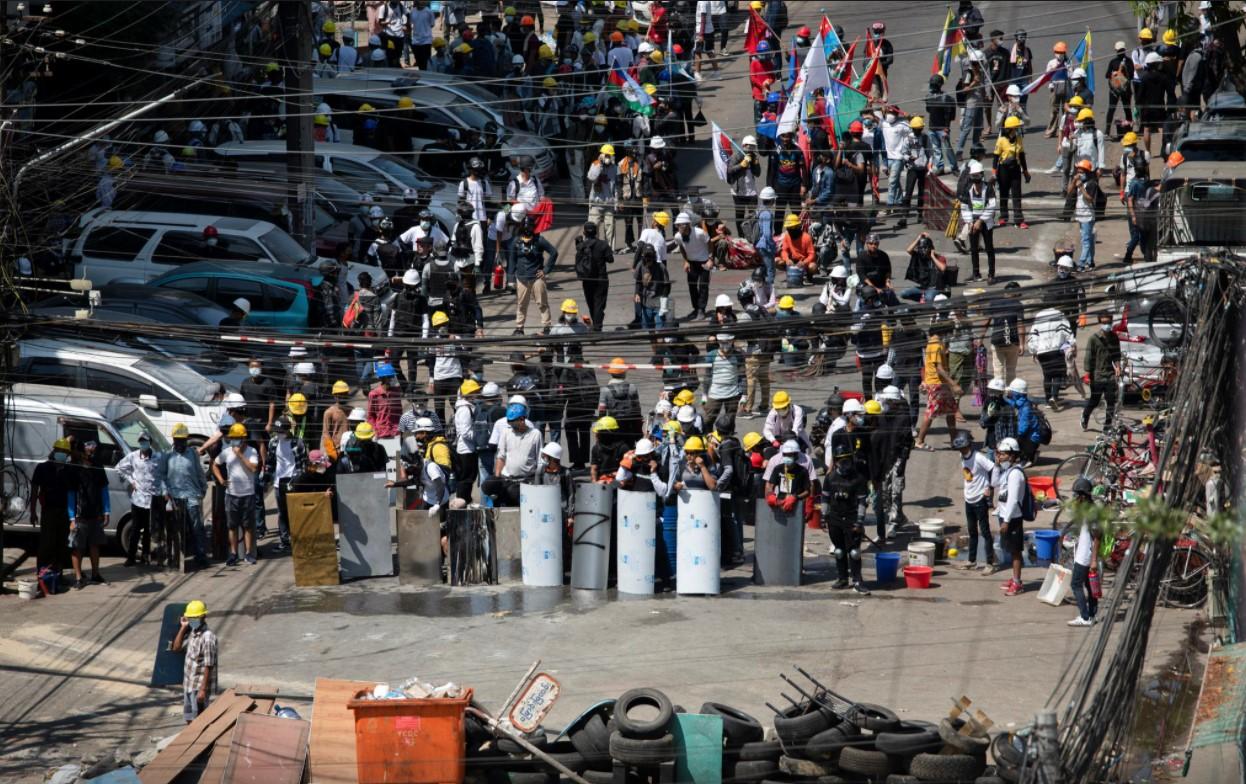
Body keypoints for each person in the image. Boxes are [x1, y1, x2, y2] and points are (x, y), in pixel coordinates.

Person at [823, 441, 870, 594]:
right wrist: (825, 516)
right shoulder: (830, 478)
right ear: (835, 461)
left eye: (847, 459)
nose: (844, 463)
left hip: (852, 519)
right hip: (835, 518)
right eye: (841, 460)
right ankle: (842, 579)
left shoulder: (858, 479)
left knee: (854, 552)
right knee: (838, 551)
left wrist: (860, 521)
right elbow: (825, 498)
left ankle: (857, 580)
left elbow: (863, 502)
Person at [212, 422, 260, 566]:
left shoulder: (252, 452)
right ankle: (233, 553)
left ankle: (248, 554)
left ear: (244, 438)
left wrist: (240, 455)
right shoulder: (227, 452)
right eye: (232, 438)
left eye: (237, 438)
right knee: (232, 526)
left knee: (247, 526)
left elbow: (253, 468)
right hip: (231, 494)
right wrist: (221, 480)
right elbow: (215, 464)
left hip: (248, 494)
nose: (234, 441)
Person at [163, 423, 209, 569]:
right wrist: (166, 493)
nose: (180, 442)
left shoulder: (193, 454)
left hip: (192, 495)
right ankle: (176, 558)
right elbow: (162, 476)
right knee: (176, 530)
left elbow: (200, 472)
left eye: (183, 439)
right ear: (174, 439)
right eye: (177, 439)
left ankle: (200, 556)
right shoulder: (168, 456)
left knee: (197, 528)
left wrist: (203, 488)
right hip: (175, 497)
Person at [483, 403, 543, 506]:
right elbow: (501, 457)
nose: (512, 427)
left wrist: (537, 482)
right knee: (488, 485)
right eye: (510, 424)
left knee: (514, 494)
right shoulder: (506, 433)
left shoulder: (535, 434)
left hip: (526, 481)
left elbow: (540, 461)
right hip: (507, 478)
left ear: (522, 419)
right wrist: (497, 478)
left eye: (514, 424)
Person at [954, 431, 997, 573]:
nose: (962, 450)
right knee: (972, 531)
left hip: (980, 498)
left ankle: (989, 563)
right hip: (968, 498)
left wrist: (990, 488)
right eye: (960, 448)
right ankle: (972, 560)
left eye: (964, 447)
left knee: (985, 532)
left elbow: (994, 468)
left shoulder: (979, 457)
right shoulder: (962, 455)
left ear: (969, 445)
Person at [116, 431, 161, 568]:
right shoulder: (133, 456)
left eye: (145, 441)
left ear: (150, 442)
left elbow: (162, 474)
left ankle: (145, 556)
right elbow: (119, 468)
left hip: (152, 499)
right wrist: (131, 481)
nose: (143, 443)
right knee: (135, 529)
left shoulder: (158, 458)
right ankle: (130, 557)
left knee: (148, 530)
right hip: (137, 500)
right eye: (141, 441)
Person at [914, 323, 961, 450]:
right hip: (937, 384)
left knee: (951, 411)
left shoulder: (935, 343)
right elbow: (939, 368)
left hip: (940, 384)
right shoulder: (935, 345)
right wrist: (953, 384)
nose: (950, 336)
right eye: (949, 332)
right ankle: (920, 440)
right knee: (931, 413)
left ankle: (954, 440)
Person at [69, 441, 108, 588]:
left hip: (95, 514)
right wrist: (71, 517)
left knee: (94, 545)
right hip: (79, 515)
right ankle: (79, 578)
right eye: (88, 451)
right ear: (82, 452)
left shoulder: (98, 467)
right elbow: (71, 494)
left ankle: (95, 574)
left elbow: (104, 490)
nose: (91, 453)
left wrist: (106, 511)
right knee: (77, 547)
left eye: (93, 451)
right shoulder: (75, 469)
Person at [171, 600, 218, 723]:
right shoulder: (192, 632)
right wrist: (183, 627)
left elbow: (209, 665)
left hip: (198, 687)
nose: (192, 620)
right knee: (189, 718)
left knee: (199, 721)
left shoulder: (208, 637)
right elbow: (176, 647)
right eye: (190, 618)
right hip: (188, 684)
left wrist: (203, 690)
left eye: (195, 618)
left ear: (203, 617)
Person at [510, 217, 559, 334]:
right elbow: (511, 261)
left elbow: (554, 252)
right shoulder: (516, 242)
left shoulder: (539, 240)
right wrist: (510, 279)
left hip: (537, 278)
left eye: (530, 226)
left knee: (542, 303)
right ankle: (519, 328)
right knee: (521, 305)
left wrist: (546, 270)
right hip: (521, 279)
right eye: (526, 226)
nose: (528, 229)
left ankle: (547, 327)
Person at [993, 437, 1028, 596]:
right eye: (1000, 454)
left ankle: (1017, 582)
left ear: (1013, 456)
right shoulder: (1007, 470)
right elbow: (994, 483)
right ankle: (1014, 578)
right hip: (1005, 515)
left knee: (1015, 551)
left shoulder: (1015, 474)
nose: (1001, 457)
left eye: (1004, 454)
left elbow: (1013, 499)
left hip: (1013, 518)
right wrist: (996, 465)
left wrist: (1006, 521)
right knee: (1010, 548)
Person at [1067, 476, 1102, 627]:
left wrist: (1093, 560)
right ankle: (1092, 615)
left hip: (1086, 556)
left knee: (1075, 584)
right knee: (1089, 585)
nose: (1074, 498)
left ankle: (1085, 617)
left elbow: (1097, 536)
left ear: (1082, 496)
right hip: (1086, 554)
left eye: (1076, 495)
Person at [1027, 308, 1073, 410]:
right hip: (1056, 349)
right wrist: (1071, 344)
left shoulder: (1039, 315)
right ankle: (1054, 397)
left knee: (1047, 375)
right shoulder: (1059, 314)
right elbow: (1066, 331)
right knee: (1057, 374)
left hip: (1042, 352)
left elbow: (1033, 334)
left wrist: (1033, 350)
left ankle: (1048, 400)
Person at [1082, 312, 1122, 430]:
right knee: (1095, 400)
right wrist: (1088, 374)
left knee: (1111, 401)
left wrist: (1118, 366)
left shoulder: (1114, 338)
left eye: (1109, 322)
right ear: (1100, 323)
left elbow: (1116, 355)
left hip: (1110, 375)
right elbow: (1088, 357)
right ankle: (1085, 416)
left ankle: (1107, 426)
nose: (1107, 325)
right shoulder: (1093, 339)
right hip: (1097, 375)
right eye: (1104, 322)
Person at [960, 161, 997, 282]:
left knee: (989, 248)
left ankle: (991, 274)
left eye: (977, 176)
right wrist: (970, 222)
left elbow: (991, 206)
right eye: (973, 176)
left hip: (986, 222)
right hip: (972, 222)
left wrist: (980, 220)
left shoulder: (989, 188)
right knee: (974, 249)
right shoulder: (968, 189)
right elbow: (964, 207)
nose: (975, 178)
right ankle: (976, 273)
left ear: (981, 175)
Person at [895, 116, 932, 230]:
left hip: (923, 168)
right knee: (909, 192)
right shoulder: (908, 139)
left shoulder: (925, 138)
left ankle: (920, 214)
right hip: (912, 169)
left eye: (919, 129)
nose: (917, 131)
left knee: (921, 192)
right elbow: (903, 153)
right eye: (915, 129)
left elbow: (930, 153)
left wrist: (930, 167)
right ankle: (904, 216)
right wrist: (908, 157)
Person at [674, 211, 713, 320]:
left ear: (687, 225)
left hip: (704, 261)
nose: (679, 228)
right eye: (677, 226)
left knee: (703, 286)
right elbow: (681, 247)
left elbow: (710, 243)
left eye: (681, 225)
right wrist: (686, 260)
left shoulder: (699, 233)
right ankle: (696, 308)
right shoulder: (678, 236)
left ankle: (701, 309)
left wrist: (710, 259)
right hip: (691, 262)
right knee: (692, 286)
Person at [993, 116, 1030, 229]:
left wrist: (1025, 171)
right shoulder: (1001, 140)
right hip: (1003, 169)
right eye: (1016, 127)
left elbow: (1022, 156)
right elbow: (995, 157)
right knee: (1004, 194)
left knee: (1016, 194)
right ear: (1010, 129)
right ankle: (1003, 217)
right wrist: (994, 173)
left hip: (1015, 169)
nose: (1018, 129)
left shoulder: (1019, 139)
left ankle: (1018, 220)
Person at [575, 222, 613, 331]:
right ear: (596, 232)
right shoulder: (603, 244)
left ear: (584, 232)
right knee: (599, 303)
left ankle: (596, 324)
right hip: (601, 279)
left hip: (587, 279)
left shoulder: (581, 245)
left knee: (591, 302)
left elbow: (579, 259)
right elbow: (610, 260)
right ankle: (597, 326)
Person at [598, 358, 644, 445]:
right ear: (624, 372)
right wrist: (638, 430)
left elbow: (602, 412)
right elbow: (637, 410)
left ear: (611, 373)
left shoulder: (605, 390)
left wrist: (601, 431)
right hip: (629, 428)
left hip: (613, 428)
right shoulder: (632, 387)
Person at [985, 281, 1025, 382]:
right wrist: (1022, 344)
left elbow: (986, 322)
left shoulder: (994, 303)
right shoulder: (1018, 305)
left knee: (998, 371)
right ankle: (1009, 394)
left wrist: (980, 339)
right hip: (1013, 342)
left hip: (997, 341)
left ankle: (998, 395)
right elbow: (1020, 325)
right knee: (1011, 371)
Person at [702, 332, 743, 424]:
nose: (725, 345)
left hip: (733, 394)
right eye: (722, 342)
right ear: (718, 342)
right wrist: (704, 394)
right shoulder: (711, 356)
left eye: (727, 342)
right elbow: (707, 376)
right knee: (708, 420)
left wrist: (744, 395)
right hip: (715, 394)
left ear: (732, 341)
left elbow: (742, 377)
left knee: (730, 421)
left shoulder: (738, 356)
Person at [452, 379, 481, 503]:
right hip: (466, 450)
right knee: (466, 479)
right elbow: (465, 432)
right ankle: (462, 502)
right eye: (474, 392)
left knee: (467, 478)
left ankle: (464, 500)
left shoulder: (466, 408)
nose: (477, 395)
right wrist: (479, 437)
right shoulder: (465, 409)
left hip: (466, 448)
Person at [1068, 160, 1100, 270]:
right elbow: (1069, 192)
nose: (1079, 173)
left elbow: (1090, 199)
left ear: (1087, 172)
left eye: (1081, 172)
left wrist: (1081, 187)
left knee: (1085, 241)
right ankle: (1090, 262)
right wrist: (1074, 182)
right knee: (1089, 240)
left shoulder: (1092, 183)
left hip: (1087, 216)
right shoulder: (1079, 181)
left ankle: (1081, 264)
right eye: (1078, 171)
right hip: (1080, 214)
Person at [727, 136, 761, 236]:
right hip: (738, 191)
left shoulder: (754, 157)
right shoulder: (736, 156)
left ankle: (752, 235)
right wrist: (741, 165)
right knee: (739, 215)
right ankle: (741, 235)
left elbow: (757, 174)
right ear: (744, 146)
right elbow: (730, 170)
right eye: (750, 146)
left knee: (753, 216)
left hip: (751, 191)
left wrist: (756, 164)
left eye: (753, 147)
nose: (751, 149)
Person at [900, 234, 949, 303]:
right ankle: (923, 298)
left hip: (935, 288)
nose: (922, 250)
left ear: (930, 248)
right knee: (904, 293)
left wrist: (933, 257)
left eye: (924, 248)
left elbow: (943, 268)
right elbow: (908, 250)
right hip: (923, 288)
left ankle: (927, 300)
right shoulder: (920, 257)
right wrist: (918, 238)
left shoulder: (939, 257)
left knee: (928, 298)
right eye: (920, 248)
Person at [925, 75, 958, 175]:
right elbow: (928, 109)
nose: (932, 87)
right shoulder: (929, 97)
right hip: (932, 128)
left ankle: (954, 167)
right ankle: (940, 167)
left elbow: (948, 114)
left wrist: (946, 127)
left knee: (947, 149)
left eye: (934, 85)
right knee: (936, 149)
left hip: (942, 129)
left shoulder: (945, 98)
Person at [1007, 378, 1042, 466]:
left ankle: (1029, 458)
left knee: (1019, 444)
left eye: (1012, 392)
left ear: (1017, 393)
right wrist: (1005, 399)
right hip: (1031, 434)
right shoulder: (1023, 402)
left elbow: (1024, 426)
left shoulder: (1026, 408)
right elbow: (1015, 404)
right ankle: (1030, 453)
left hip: (1033, 437)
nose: (1010, 393)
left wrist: (1018, 436)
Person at [366, 362, 404, 439]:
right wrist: (374, 430)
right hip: (380, 432)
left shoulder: (396, 392)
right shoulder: (374, 394)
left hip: (395, 432)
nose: (392, 378)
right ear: (382, 378)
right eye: (390, 377)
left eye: (393, 376)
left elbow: (399, 412)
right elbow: (371, 416)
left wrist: (400, 429)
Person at [1105, 40, 1134, 133]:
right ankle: (1108, 130)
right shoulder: (1118, 61)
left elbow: (1131, 75)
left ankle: (1128, 129)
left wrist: (1123, 71)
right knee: (1114, 108)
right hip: (1116, 89)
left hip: (1123, 89)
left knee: (1125, 108)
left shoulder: (1126, 62)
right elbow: (1107, 75)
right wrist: (1115, 74)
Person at [777, 214, 815, 285]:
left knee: (813, 266)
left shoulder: (806, 237)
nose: (790, 230)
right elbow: (784, 250)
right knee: (777, 260)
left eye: (791, 228)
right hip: (793, 260)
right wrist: (787, 259)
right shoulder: (787, 236)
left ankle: (808, 276)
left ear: (798, 227)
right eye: (788, 228)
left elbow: (812, 254)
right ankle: (791, 273)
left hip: (804, 261)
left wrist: (804, 262)